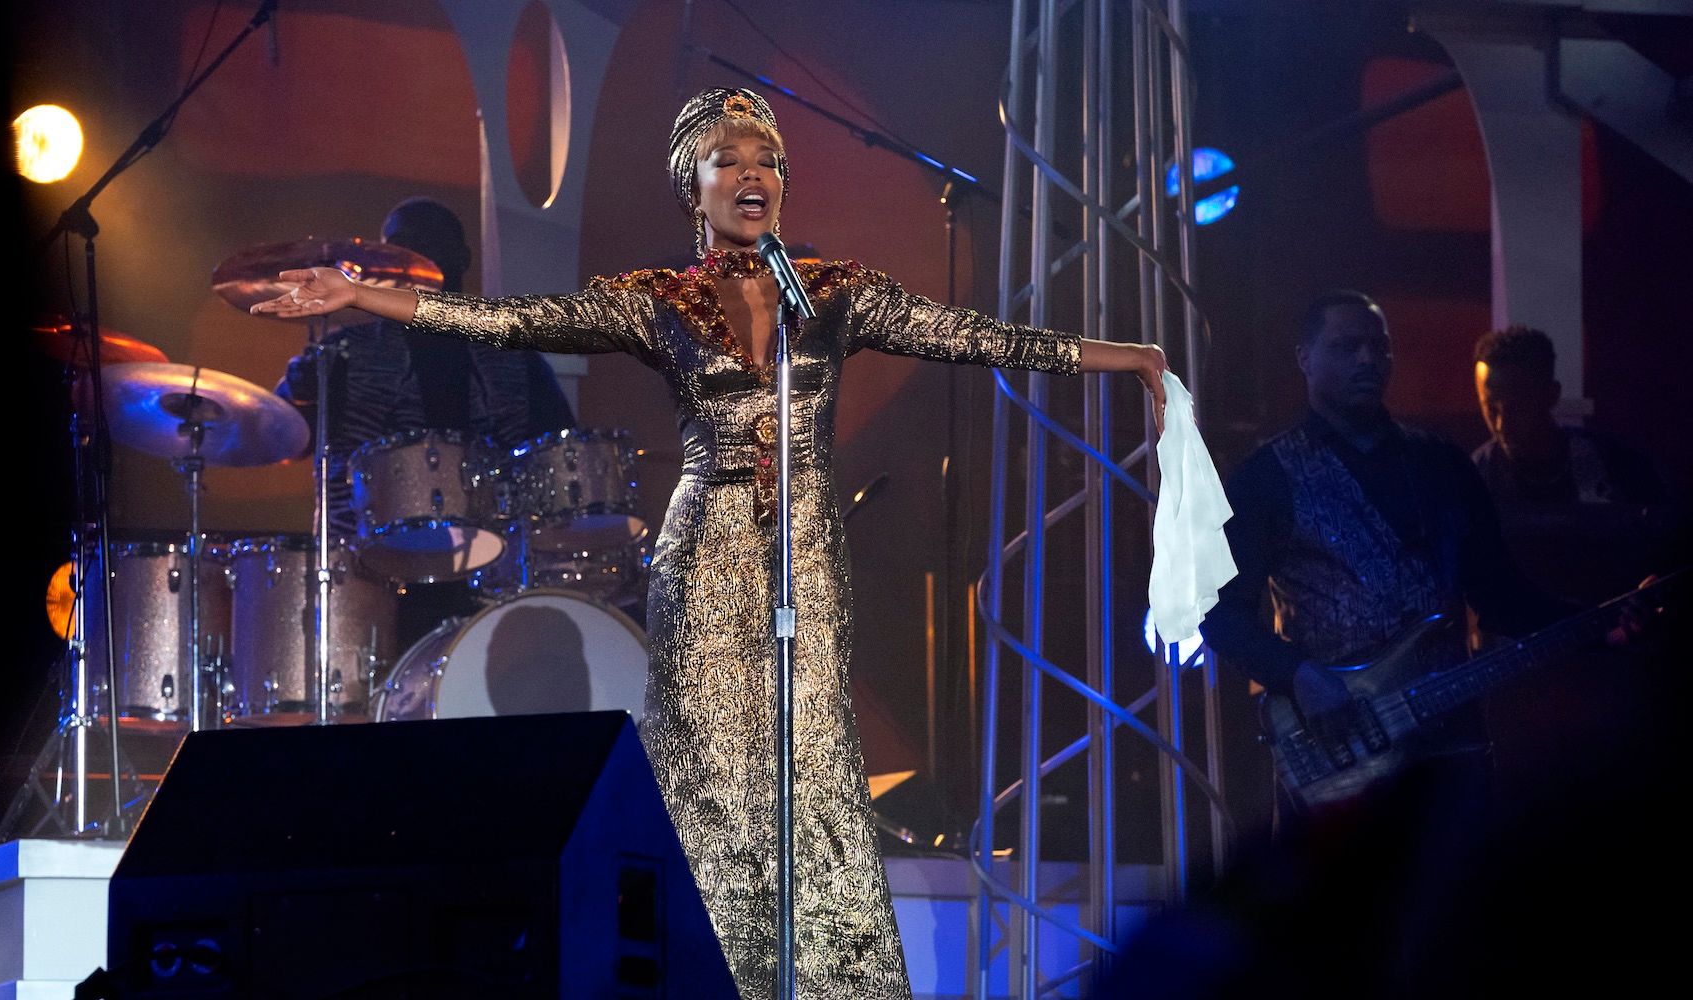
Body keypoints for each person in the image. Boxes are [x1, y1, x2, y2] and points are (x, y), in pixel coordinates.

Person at [251, 87, 1168, 999]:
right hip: (706, 548)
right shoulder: (659, 301)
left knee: (813, 769)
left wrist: (1127, 358)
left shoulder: (836, 293)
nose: (751, 173)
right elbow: (508, 321)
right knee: (709, 775)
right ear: (693, 186)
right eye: (727, 160)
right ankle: (711, 977)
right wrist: (362, 293)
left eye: (765, 159)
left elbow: (968, 335)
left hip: (805, 549)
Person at [1202, 291, 1569, 825]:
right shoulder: (1266, 476)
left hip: (1449, 751)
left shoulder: (1441, 463)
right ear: (1305, 357)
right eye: (1346, 346)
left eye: (1379, 347)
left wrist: (1603, 618)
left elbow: (1500, 593)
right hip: (1341, 750)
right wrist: (1298, 674)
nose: (1368, 360)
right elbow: (1217, 609)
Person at [274, 197, 577, 644]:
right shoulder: (345, 352)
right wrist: (299, 389)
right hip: (363, 569)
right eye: (401, 246)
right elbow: (275, 434)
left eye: (429, 243)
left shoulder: (509, 353)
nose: (414, 255)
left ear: (462, 258)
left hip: (491, 570)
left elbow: (557, 455)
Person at [1470, 325, 1680, 606]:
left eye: (1517, 406)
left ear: (1551, 394)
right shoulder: (1475, 478)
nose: (1501, 424)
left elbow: (1672, 548)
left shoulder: (1616, 463)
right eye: (1491, 407)